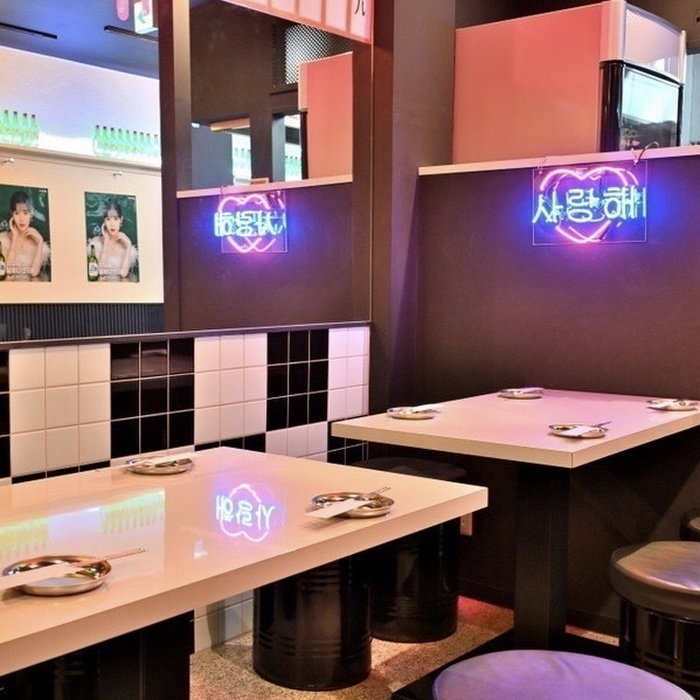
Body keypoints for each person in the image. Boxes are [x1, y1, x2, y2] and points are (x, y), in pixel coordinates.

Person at [87, 197, 138, 280]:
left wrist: (129, 246)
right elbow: (101, 272)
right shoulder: (96, 244)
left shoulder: (126, 246)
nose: (112, 224)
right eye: (108, 219)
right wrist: (106, 243)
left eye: (116, 219)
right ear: (104, 221)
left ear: (121, 220)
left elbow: (123, 273)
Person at [5, 190, 49, 279]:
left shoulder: (39, 245)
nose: (21, 219)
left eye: (25, 213)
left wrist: (40, 242)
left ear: (31, 214)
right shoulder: (3, 240)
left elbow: (34, 273)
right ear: (12, 215)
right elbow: (8, 271)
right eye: (16, 213)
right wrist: (15, 238)